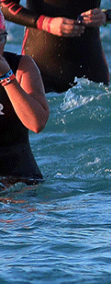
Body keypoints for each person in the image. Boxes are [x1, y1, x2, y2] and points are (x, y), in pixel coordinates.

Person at [0, 23, 49, 185]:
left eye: (0, 39)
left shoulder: (22, 67)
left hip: (21, 179)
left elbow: (37, 124)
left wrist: (7, 79)